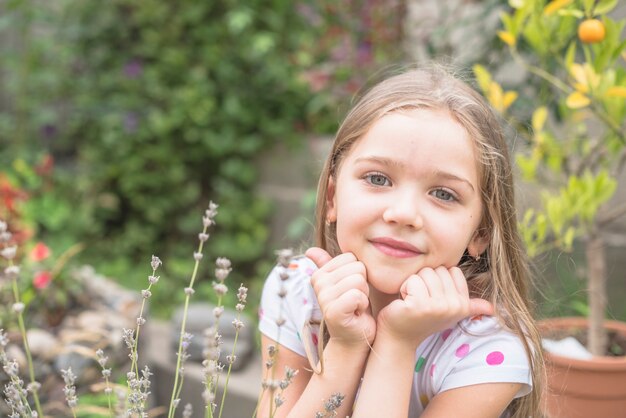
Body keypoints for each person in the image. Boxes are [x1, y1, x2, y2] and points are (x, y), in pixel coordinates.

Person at [257, 65, 544, 418]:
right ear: (332, 198)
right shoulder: (295, 291)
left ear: (480, 233)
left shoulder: (487, 351)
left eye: (443, 193)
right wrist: (346, 348)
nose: (404, 212)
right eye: (378, 178)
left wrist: (397, 343)